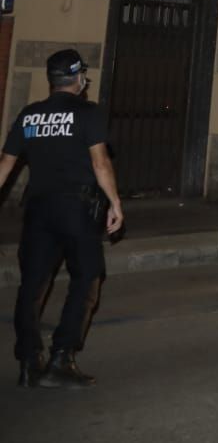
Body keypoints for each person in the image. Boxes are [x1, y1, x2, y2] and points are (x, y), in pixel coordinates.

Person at [0, 49, 124, 388]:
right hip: (76, 210)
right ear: (79, 78)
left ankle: (28, 360)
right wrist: (115, 203)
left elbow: (5, 166)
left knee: (33, 285)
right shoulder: (88, 113)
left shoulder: (29, 115)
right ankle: (62, 356)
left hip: (38, 211)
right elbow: (100, 164)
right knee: (87, 277)